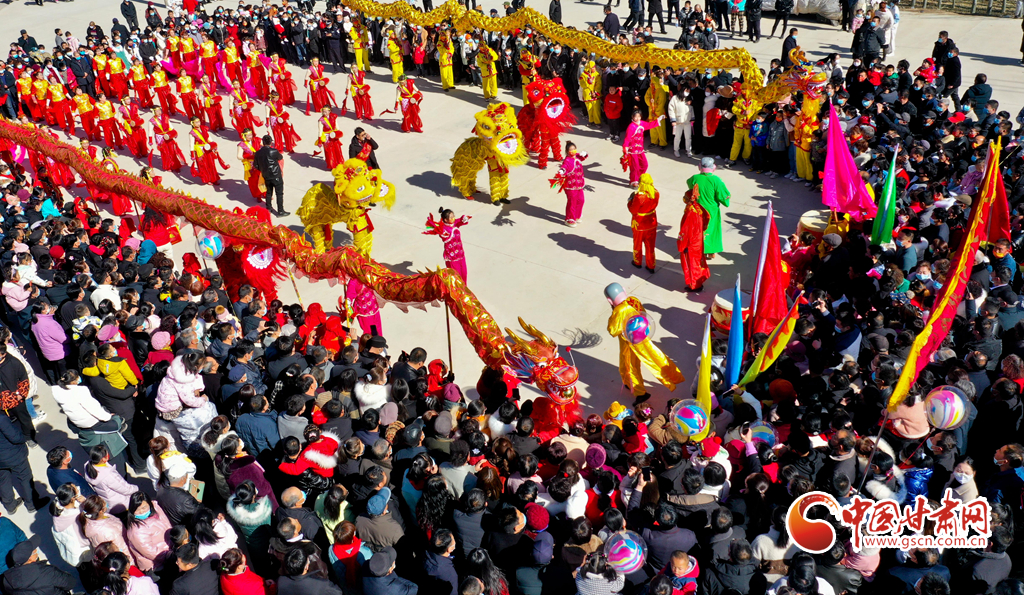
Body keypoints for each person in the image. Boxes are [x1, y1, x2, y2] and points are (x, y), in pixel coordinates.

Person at [605, 282, 684, 404]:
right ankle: (628, 383)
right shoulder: (633, 300)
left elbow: (613, 330)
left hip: (629, 344)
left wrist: (613, 316)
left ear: (610, 300)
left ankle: (640, 393)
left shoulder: (619, 310)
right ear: (624, 291)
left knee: (630, 367)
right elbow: (643, 314)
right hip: (641, 338)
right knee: (650, 360)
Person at [686, 158, 731, 259]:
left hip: (698, 209)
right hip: (711, 211)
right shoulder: (716, 180)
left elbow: (689, 184)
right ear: (714, 167)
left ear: (700, 166)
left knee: (698, 230)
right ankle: (711, 252)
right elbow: (723, 196)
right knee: (711, 230)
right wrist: (727, 199)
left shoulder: (695, 178)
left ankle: (699, 249)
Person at [0, 536, 77, 595]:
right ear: (30, 559)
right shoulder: (48, 573)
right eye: (34, 551)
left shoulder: (7, 580)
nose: (36, 551)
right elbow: (71, 583)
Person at [677, 184, 710, 292]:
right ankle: (698, 282)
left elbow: (686, 231)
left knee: (692, 264)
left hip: (691, 242)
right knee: (698, 262)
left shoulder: (691, 212)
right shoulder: (697, 207)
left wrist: (683, 244)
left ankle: (695, 285)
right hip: (698, 240)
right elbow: (707, 217)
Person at [423, 209, 471, 282]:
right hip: (452, 258)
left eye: (453, 216)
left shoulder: (454, 224)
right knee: (456, 278)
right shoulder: (443, 229)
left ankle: (464, 291)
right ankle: (456, 292)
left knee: (464, 274)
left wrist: (464, 218)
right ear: (445, 220)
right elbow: (440, 232)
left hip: (461, 255)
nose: (453, 218)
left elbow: (460, 221)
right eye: (451, 217)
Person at [628, 173, 661, 273]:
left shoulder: (639, 197)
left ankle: (637, 262)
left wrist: (630, 200)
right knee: (650, 245)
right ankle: (651, 265)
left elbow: (633, 210)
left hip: (639, 224)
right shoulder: (656, 193)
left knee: (637, 244)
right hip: (651, 223)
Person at [623, 110, 666, 186]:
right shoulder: (631, 127)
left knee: (644, 164)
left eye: (639, 116)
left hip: (640, 149)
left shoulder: (642, 123)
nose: (637, 118)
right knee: (635, 166)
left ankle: (639, 177)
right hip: (633, 150)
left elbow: (649, 125)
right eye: (635, 117)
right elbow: (627, 138)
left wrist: (658, 119)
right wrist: (625, 147)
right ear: (632, 117)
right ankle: (633, 180)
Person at [553, 142, 589, 227]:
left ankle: (576, 215)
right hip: (570, 186)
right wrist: (562, 171)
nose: (573, 151)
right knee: (572, 202)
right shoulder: (567, 160)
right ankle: (569, 219)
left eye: (574, 149)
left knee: (581, 200)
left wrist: (585, 153)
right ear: (567, 151)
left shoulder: (576, 156)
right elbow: (565, 167)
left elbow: (582, 157)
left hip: (579, 184)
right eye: (571, 150)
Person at [254, 134, 287, 217]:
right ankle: (280, 211)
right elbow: (280, 157)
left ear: (263, 142)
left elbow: (256, 165)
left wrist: (263, 170)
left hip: (266, 175)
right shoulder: (274, 151)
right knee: (279, 193)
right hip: (276, 175)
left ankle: (268, 208)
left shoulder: (258, 153)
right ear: (271, 142)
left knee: (269, 192)